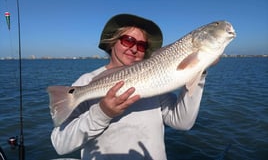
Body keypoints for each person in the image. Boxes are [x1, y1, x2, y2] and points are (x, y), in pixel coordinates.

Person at [51, 14, 208, 160]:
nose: (134, 49)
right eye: (128, 40)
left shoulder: (155, 80)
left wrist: (198, 70)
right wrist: (101, 113)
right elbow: (60, 144)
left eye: (141, 45)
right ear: (112, 41)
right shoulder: (86, 81)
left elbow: (182, 122)